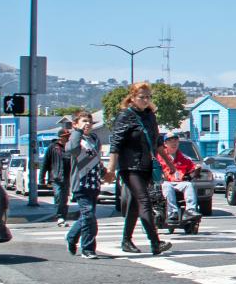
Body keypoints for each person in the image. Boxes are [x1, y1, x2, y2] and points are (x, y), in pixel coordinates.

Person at [106, 82, 172, 255]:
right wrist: (111, 169)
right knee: (144, 201)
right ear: (132, 98)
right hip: (130, 166)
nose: (145, 100)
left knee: (135, 205)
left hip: (146, 166)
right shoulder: (125, 116)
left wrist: (169, 164)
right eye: (141, 97)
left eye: (148, 96)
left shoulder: (150, 116)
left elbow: (157, 143)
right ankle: (155, 242)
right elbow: (116, 144)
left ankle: (126, 241)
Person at [65, 112, 110, 259]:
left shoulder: (94, 139)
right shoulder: (76, 138)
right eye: (84, 121)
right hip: (81, 183)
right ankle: (88, 248)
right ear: (76, 124)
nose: (88, 124)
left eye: (90, 122)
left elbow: (96, 160)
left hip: (93, 183)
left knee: (86, 217)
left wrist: (104, 172)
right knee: (89, 215)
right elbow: (72, 149)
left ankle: (71, 237)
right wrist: (77, 132)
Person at [157, 134, 200, 221]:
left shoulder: (183, 158)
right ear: (165, 143)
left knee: (188, 184)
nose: (174, 143)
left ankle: (190, 210)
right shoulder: (160, 156)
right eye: (170, 141)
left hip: (179, 182)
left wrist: (197, 169)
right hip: (164, 182)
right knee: (167, 186)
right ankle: (173, 212)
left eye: (176, 141)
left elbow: (192, 168)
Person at [41, 127, 72, 226]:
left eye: (68, 136)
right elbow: (45, 162)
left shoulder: (70, 147)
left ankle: (63, 216)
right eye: (65, 136)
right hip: (56, 177)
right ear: (60, 137)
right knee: (58, 195)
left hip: (67, 177)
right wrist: (42, 177)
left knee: (64, 198)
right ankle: (59, 216)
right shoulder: (53, 147)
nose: (67, 138)